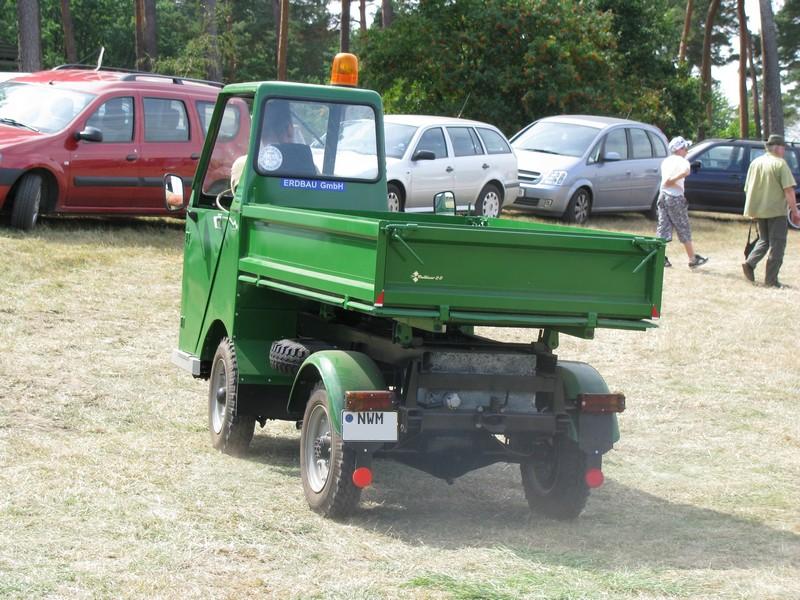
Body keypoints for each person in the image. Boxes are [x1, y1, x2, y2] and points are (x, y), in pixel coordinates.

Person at [742, 134, 800, 288]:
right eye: (783, 147)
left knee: (764, 240)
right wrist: (795, 212)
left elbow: (748, 188)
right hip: (776, 211)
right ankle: (771, 280)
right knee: (778, 244)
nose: (784, 150)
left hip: (759, 210)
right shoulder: (780, 164)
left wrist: (753, 209)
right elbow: (788, 190)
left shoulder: (755, 162)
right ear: (778, 147)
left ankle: (749, 263)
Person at [656, 136, 708, 268]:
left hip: (662, 196)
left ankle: (659, 257)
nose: (687, 151)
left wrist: (669, 181)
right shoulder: (682, 161)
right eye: (685, 148)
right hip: (675, 197)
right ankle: (692, 259)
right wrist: (673, 179)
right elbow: (686, 171)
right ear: (679, 149)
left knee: (663, 227)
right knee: (683, 227)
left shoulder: (665, 161)